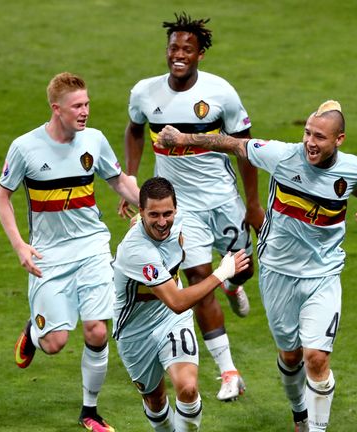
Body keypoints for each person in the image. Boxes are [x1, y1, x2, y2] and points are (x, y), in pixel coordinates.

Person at [157, 100, 357, 432]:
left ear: (339, 140)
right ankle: (299, 413)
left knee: (316, 358)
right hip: (277, 273)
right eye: (307, 133)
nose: (310, 142)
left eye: (320, 136)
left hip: (323, 274)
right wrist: (183, 139)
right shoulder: (282, 155)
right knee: (290, 358)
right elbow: (232, 144)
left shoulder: (351, 168)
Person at [122, 12, 262, 401]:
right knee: (200, 281)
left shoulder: (221, 94)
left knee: (240, 271)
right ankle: (228, 371)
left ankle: (233, 286)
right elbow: (134, 129)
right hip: (183, 209)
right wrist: (130, 178)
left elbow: (245, 149)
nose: (178, 55)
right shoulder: (146, 93)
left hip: (222, 200)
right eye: (173, 48)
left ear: (201, 54)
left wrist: (252, 204)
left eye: (187, 49)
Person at [0, 72, 140, 432]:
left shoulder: (94, 140)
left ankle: (90, 412)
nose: (85, 111)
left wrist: (154, 208)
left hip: (92, 247)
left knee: (96, 332)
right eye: (77, 106)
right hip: (49, 256)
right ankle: (34, 334)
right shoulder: (25, 147)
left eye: (87, 104)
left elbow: (119, 181)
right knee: (55, 343)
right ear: (55, 109)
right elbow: (2, 196)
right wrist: (20, 246)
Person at [113, 176, 249, 431]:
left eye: (168, 213)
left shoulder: (180, 221)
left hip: (170, 319)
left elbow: (175, 306)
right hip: (134, 330)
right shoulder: (135, 251)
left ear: (176, 209)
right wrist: (222, 274)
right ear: (141, 211)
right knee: (155, 401)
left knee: (187, 388)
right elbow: (176, 301)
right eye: (153, 215)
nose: (163, 222)